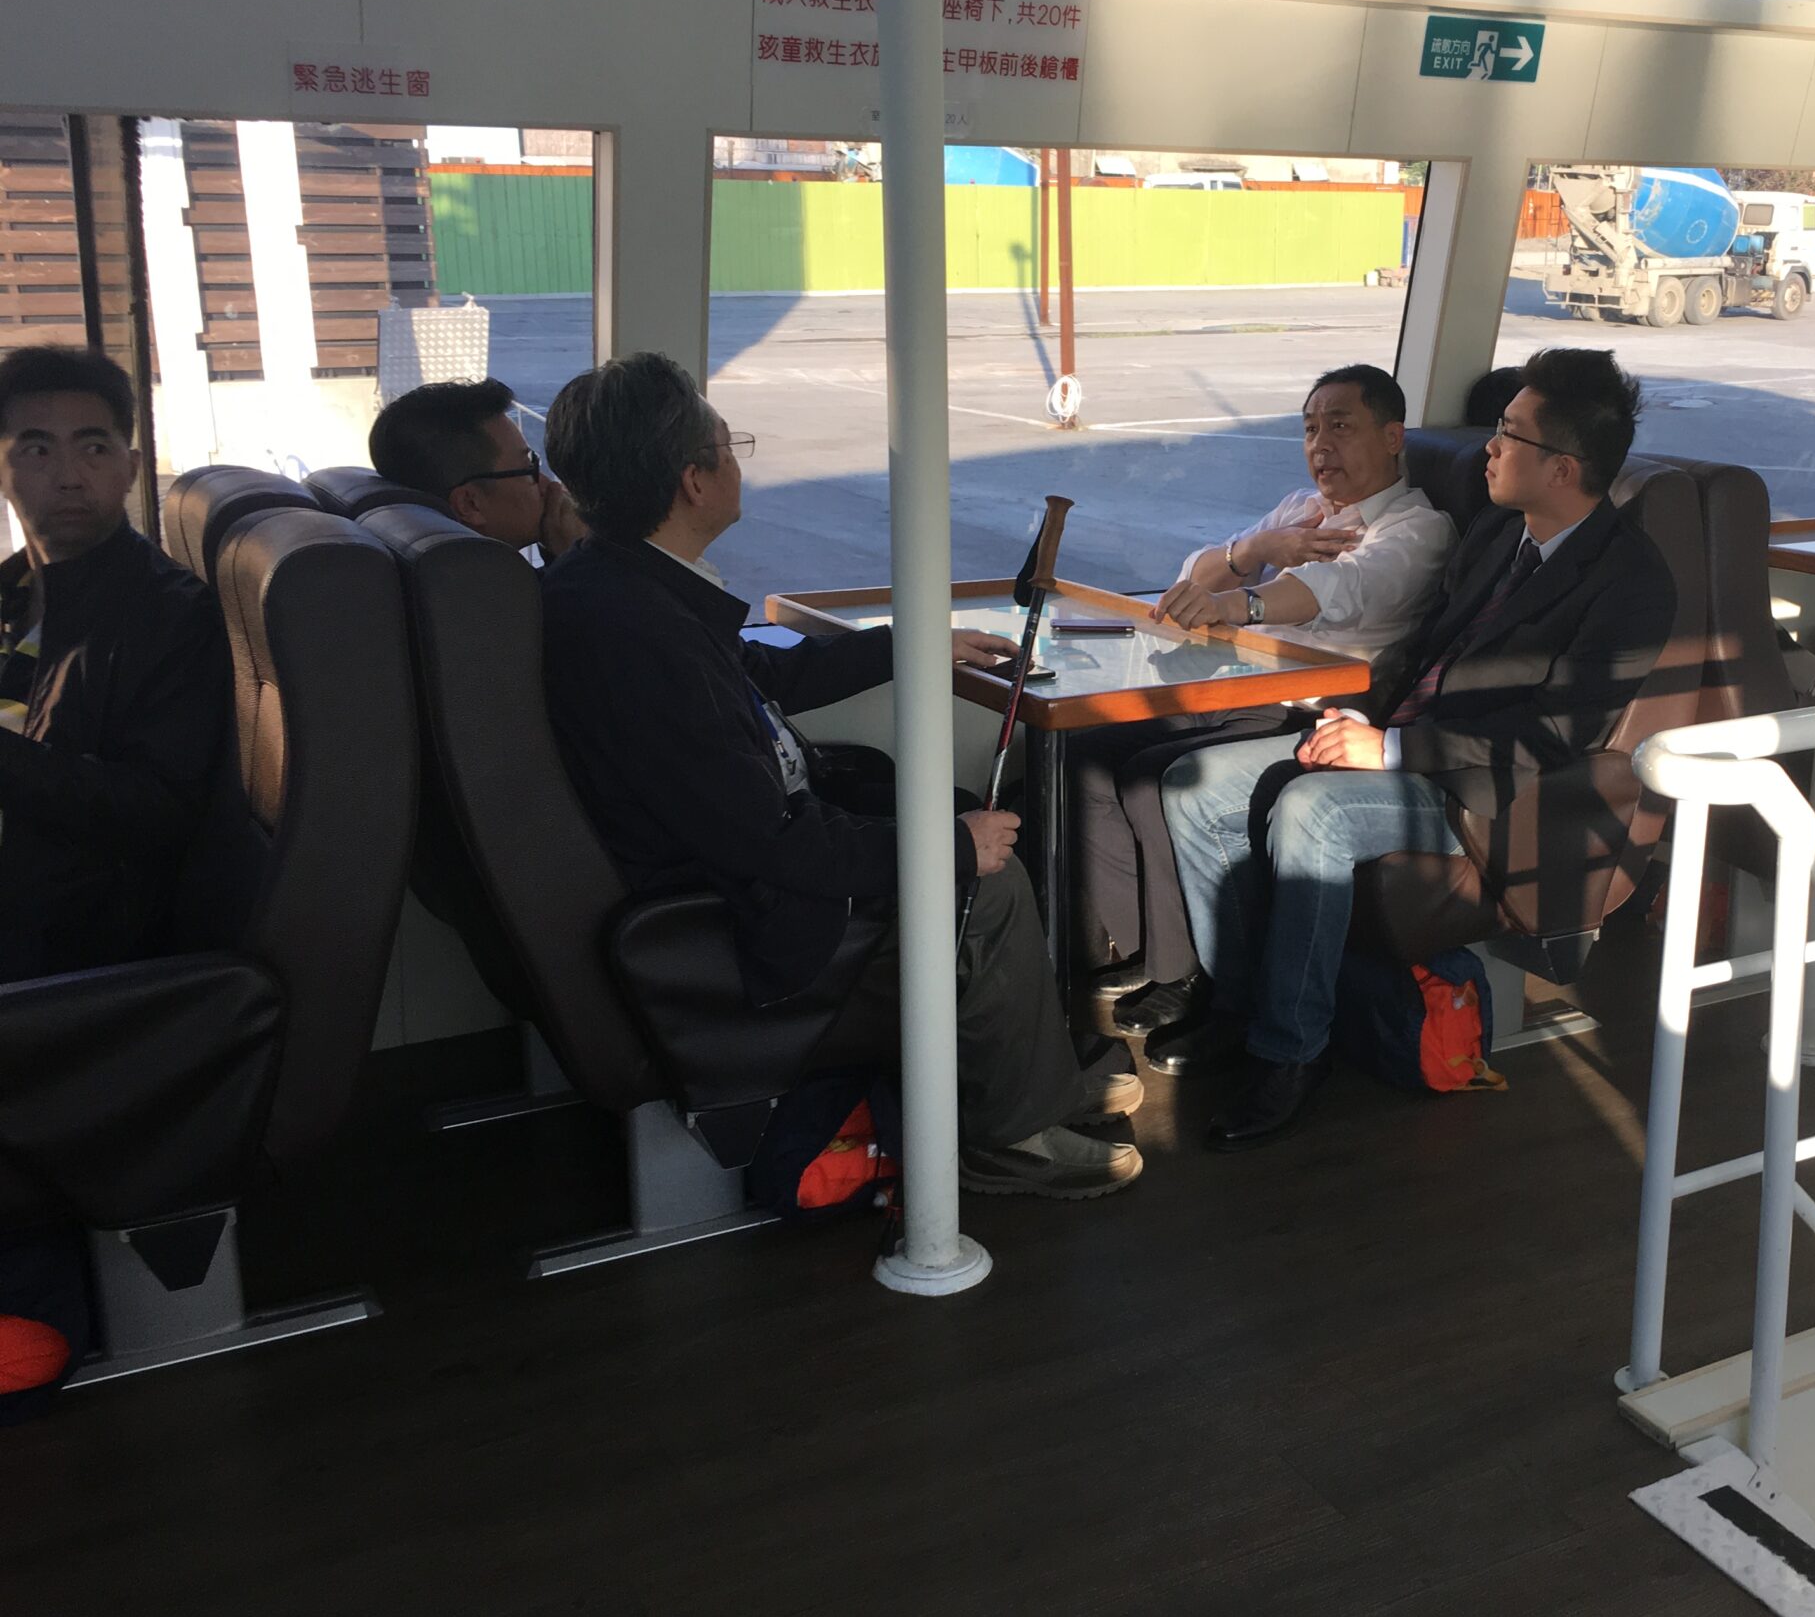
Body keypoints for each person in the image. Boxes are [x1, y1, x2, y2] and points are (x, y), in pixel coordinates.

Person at [537, 352, 1140, 1199]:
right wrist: (949, 849)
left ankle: (1033, 1080)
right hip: (748, 918)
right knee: (986, 877)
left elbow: (755, 673)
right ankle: (1011, 1137)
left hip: (737, 862)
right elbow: (770, 841)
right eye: (729, 446)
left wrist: (913, 645)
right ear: (693, 482)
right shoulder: (639, 636)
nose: (738, 462)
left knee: (958, 813)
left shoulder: (621, 586)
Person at [1154, 348, 1675, 1150]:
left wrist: (1393, 751)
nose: (1488, 449)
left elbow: (1552, 738)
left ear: (1562, 468)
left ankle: (1291, 1053)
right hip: (1403, 733)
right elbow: (1429, 651)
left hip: (1487, 788)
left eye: (1509, 435)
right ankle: (1238, 1003)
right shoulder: (1499, 534)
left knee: (1312, 814)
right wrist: (1361, 714)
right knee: (1195, 783)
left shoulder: (1630, 583)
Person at [1076, 364, 1456, 1038]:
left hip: (1310, 707)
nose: (1320, 445)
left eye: (1340, 426)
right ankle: (1148, 951)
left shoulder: (1418, 528)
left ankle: (1193, 976)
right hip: (1236, 685)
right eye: (1309, 430)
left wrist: (1241, 602)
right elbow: (1191, 580)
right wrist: (1256, 547)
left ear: (1393, 436)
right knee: (1086, 755)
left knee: (1153, 776)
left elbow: (1343, 591)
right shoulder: (1296, 511)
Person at [0, 346, 230, 985]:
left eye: (94, 448)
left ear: (131, 468)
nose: (70, 477)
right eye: (37, 449)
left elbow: (159, 810)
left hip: (59, 950)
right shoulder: (15, 592)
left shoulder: (172, 615)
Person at [368, 376, 586, 562]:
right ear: (469, 504)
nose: (549, 486)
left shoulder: (442, 580)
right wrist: (577, 554)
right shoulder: (504, 593)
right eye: (529, 469)